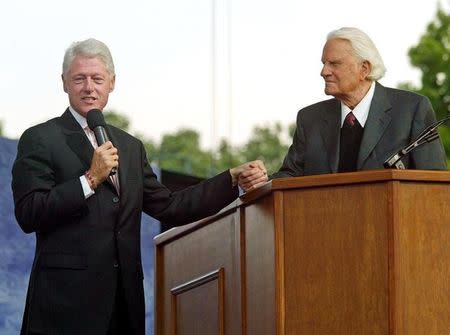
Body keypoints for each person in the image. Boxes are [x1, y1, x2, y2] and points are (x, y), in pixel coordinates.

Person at [11, 38, 268, 335]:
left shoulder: (130, 147)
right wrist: (90, 179)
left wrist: (231, 178)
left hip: (124, 307)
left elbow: (170, 206)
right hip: (64, 309)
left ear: (112, 83)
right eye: (79, 79)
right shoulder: (41, 138)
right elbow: (29, 213)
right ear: (64, 83)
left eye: (97, 79)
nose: (89, 87)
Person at [272, 27, 447, 179]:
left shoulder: (412, 109)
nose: (324, 72)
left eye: (334, 63)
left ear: (364, 68)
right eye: (324, 63)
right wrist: (252, 182)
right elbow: (289, 177)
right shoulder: (309, 119)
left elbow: (432, 184)